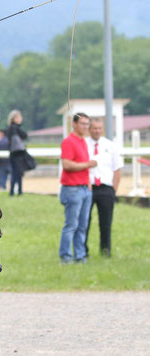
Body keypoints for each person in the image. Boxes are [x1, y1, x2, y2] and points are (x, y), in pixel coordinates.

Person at [58, 113, 97, 264]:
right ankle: (66, 257)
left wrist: (88, 183)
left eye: (87, 124)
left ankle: (80, 256)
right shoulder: (69, 141)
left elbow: (82, 164)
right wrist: (87, 165)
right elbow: (67, 164)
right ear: (74, 124)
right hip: (72, 189)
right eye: (83, 124)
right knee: (71, 225)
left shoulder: (83, 142)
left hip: (85, 189)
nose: (86, 127)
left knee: (83, 225)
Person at [85, 117, 123, 258]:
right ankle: (83, 251)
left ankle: (105, 251)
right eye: (94, 128)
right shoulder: (84, 145)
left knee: (105, 223)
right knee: (85, 222)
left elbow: (117, 169)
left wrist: (114, 190)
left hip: (106, 188)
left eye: (99, 128)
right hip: (89, 187)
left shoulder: (110, 146)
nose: (97, 131)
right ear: (90, 129)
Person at [6, 110, 28, 196]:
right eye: (19, 117)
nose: (20, 119)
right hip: (17, 153)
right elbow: (25, 135)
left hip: (13, 153)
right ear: (14, 118)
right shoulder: (15, 128)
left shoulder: (10, 128)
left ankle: (14, 191)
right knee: (17, 173)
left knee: (15, 173)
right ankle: (18, 191)